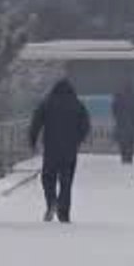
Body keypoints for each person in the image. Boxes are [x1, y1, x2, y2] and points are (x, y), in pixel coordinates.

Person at [30, 79, 91, 223]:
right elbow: (85, 125)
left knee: (47, 177)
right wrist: (78, 140)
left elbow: (36, 122)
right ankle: (64, 213)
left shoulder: (47, 103)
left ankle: (51, 201)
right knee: (66, 181)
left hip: (51, 148)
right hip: (70, 149)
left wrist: (33, 141)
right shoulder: (77, 105)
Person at [111, 83, 134, 164]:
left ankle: (124, 157)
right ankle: (129, 157)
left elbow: (114, 111)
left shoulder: (119, 99)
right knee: (130, 143)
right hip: (131, 125)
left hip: (122, 125)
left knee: (123, 143)